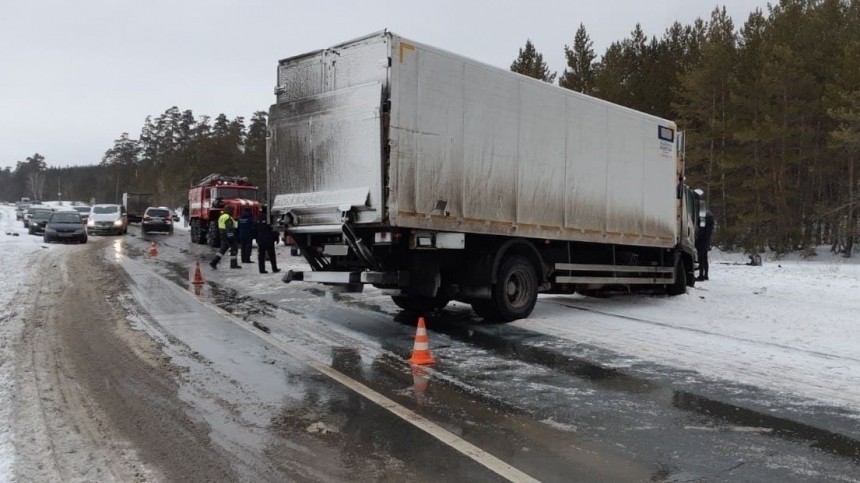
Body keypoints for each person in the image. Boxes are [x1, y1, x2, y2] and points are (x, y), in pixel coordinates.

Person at [696, 211, 715, 281]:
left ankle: (701, 275)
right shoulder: (710, 224)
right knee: (705, 258)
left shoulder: (703, 222)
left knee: (701, 259)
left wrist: (697, 239)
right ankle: (706, 275)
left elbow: (701, 231)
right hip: (706, 242)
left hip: (701, 242)